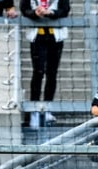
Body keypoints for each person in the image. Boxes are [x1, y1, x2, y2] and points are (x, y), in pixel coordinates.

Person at [21, 0, 69, 129]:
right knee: (38, 72)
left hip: (56, 37)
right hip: (37, 37)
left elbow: (65, 10)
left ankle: (48, 108)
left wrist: (50, 12)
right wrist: (35, 12)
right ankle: (34, 110)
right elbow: (24, 9)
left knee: (51, 73)